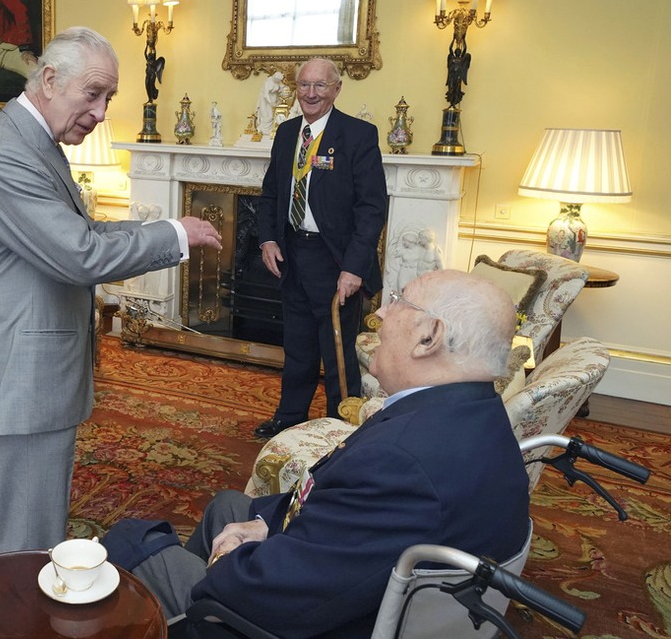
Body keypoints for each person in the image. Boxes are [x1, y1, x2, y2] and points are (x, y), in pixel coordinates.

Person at [104, 269, 531, 639]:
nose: (380, 312)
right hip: (355, 579)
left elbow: (278, 594)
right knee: (231, 509)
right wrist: (261, 526)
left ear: (428, 336)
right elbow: (344, 524)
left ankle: (190, 620)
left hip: (310, 621)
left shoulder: (403, 463)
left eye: (399, 300)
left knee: (134, 541)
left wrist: (228, 563)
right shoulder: (475, 413)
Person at [0, 26, 222, 554]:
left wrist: (166, 230)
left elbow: (87, 232)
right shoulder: (10, 155)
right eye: (93, 94)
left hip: (34, 376)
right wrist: (172, 235)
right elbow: (81, 255)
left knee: (38, 525)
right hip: (20, 380)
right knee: (26, 537)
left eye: (109, 98)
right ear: (49, 79)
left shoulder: (35, 141)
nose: (101, 113)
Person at [254, 57, 387, 439]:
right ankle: (289, 417)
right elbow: (271, 194)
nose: (310, 94)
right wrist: (268, 239)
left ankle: (341, 426)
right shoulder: (285, 133)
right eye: (304, 85)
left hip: (336, 262)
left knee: (337, 349)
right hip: (292, 256)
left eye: (320, 86)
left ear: (336, 89)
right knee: (297, 344)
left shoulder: (358, 135)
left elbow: (372, 208)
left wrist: (355, 267)